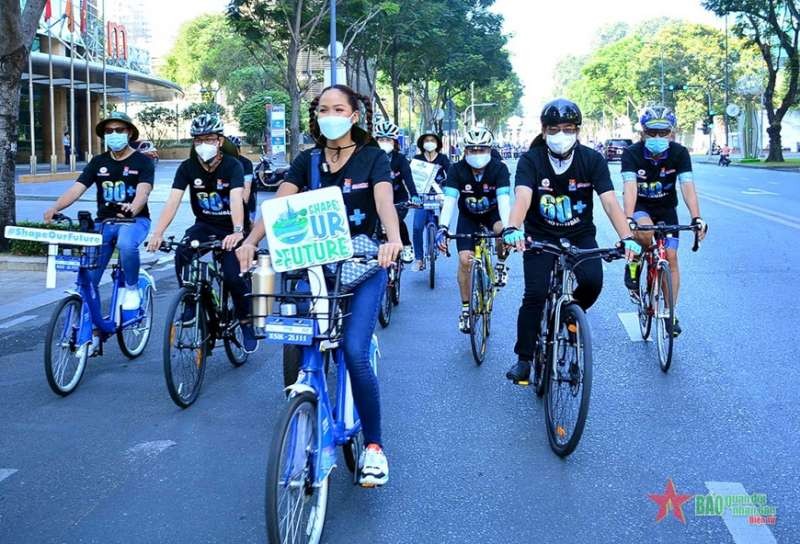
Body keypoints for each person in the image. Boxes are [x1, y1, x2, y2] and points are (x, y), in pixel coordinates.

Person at [236, 84, 402, 487]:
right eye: (323, 108)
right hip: (311, 268)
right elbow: (278, 206)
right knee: (303, 338)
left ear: (354, 116)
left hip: (362, 266)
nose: (330, 114)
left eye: (339, 108)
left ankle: (375, 447)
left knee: (354, 351)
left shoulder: (373, 158)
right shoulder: (306, 160)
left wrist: (393, 239)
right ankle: (308, 410)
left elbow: (384, 201)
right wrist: (250, 240)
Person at [503, 98, 640, 383]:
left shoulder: (592, 160)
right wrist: (512, 227)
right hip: (540, 235)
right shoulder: (531, 160)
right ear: (543, 131)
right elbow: (523, 197)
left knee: (593, 281)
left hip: (580, 234)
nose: (560, 135)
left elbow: (610, 202)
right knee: (535, 295)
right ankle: (524, 359)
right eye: (553, 129)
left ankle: (569, 314)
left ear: (578, 130)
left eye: (567, 128)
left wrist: (627, 237)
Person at [146, 114, 258, 353]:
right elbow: (173, 200)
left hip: (232, 228)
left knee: (233, 277)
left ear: (219, 141)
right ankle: (189, 300)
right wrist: (158, 232)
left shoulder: (233, 165)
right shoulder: (187, 167)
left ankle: (246, 324)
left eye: (208, 139)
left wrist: (238, 231)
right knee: (183, 252)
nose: (203, 144)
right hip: (204, 225)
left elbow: (237, 198)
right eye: (198, 140)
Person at [44, 112, 154, 331]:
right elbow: (77, 188)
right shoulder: (98, 162)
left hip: (135, 221)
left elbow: (143, 192)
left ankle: (132, 288)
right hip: (104, 223)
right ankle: (89, 325)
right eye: (109, 131)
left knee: (125, 245)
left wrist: (133, 208)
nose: (114, 134)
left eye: (119, 130)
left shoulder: (143, 161)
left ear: (129, 132)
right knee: (88, 279)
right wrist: (55, 208)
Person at [621, 105, 707, 336]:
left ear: (672, 132)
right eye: (652, 132)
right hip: (641, 207)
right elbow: (629, 188)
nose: (657, 137)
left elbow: (687, 186)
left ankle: (670, 313)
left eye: (663, 132)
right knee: (646, 234)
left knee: (671, 256)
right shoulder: (632, 153)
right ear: (642, 132)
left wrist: (696, 217)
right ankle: (634, 263)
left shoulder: (679, 153)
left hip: (667, 209)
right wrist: (628, 219)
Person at [435, 127, 511, 333]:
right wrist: (443, 227)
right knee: (464, 260)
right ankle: (466, 309)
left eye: (482, 150)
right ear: (465, 151)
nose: (477, 154)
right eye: (472, 150)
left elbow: (504, 201)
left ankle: (501, 263)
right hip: (468, 217)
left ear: (489, 150)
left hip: (492, 214)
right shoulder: (456, 170)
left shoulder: (499, 169)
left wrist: (508, 229)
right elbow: (450, 201)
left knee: (504, 231)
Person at [374, 120, 418, 263]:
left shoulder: (400, 159)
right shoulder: (370, 158)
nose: (384, 142)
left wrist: (415, 196)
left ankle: (406, 245)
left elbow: (408, 179)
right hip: (376, 199)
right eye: (381, 139)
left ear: (394, 142)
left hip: (398, 199)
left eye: (388, 139)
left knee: (395, 220)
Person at [412, 130, 451, 271]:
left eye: (432, 140)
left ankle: (443, 243)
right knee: (417, 227)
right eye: (426, 140)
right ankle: (419, 259)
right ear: (422, 144)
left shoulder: (443, 159)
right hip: (422, 196)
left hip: (439, 196)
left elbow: (451, 175)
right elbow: (412, 178)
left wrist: (447, 192)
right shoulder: (417, 159)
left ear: (437, 143)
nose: (429, 143)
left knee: (444, 224)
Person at [228, 135, 256, 222]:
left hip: (247, 202)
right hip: (229, 202)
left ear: (238, 149)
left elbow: (246, 189)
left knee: (248, 226)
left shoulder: (246, 163)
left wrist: (241, 209)